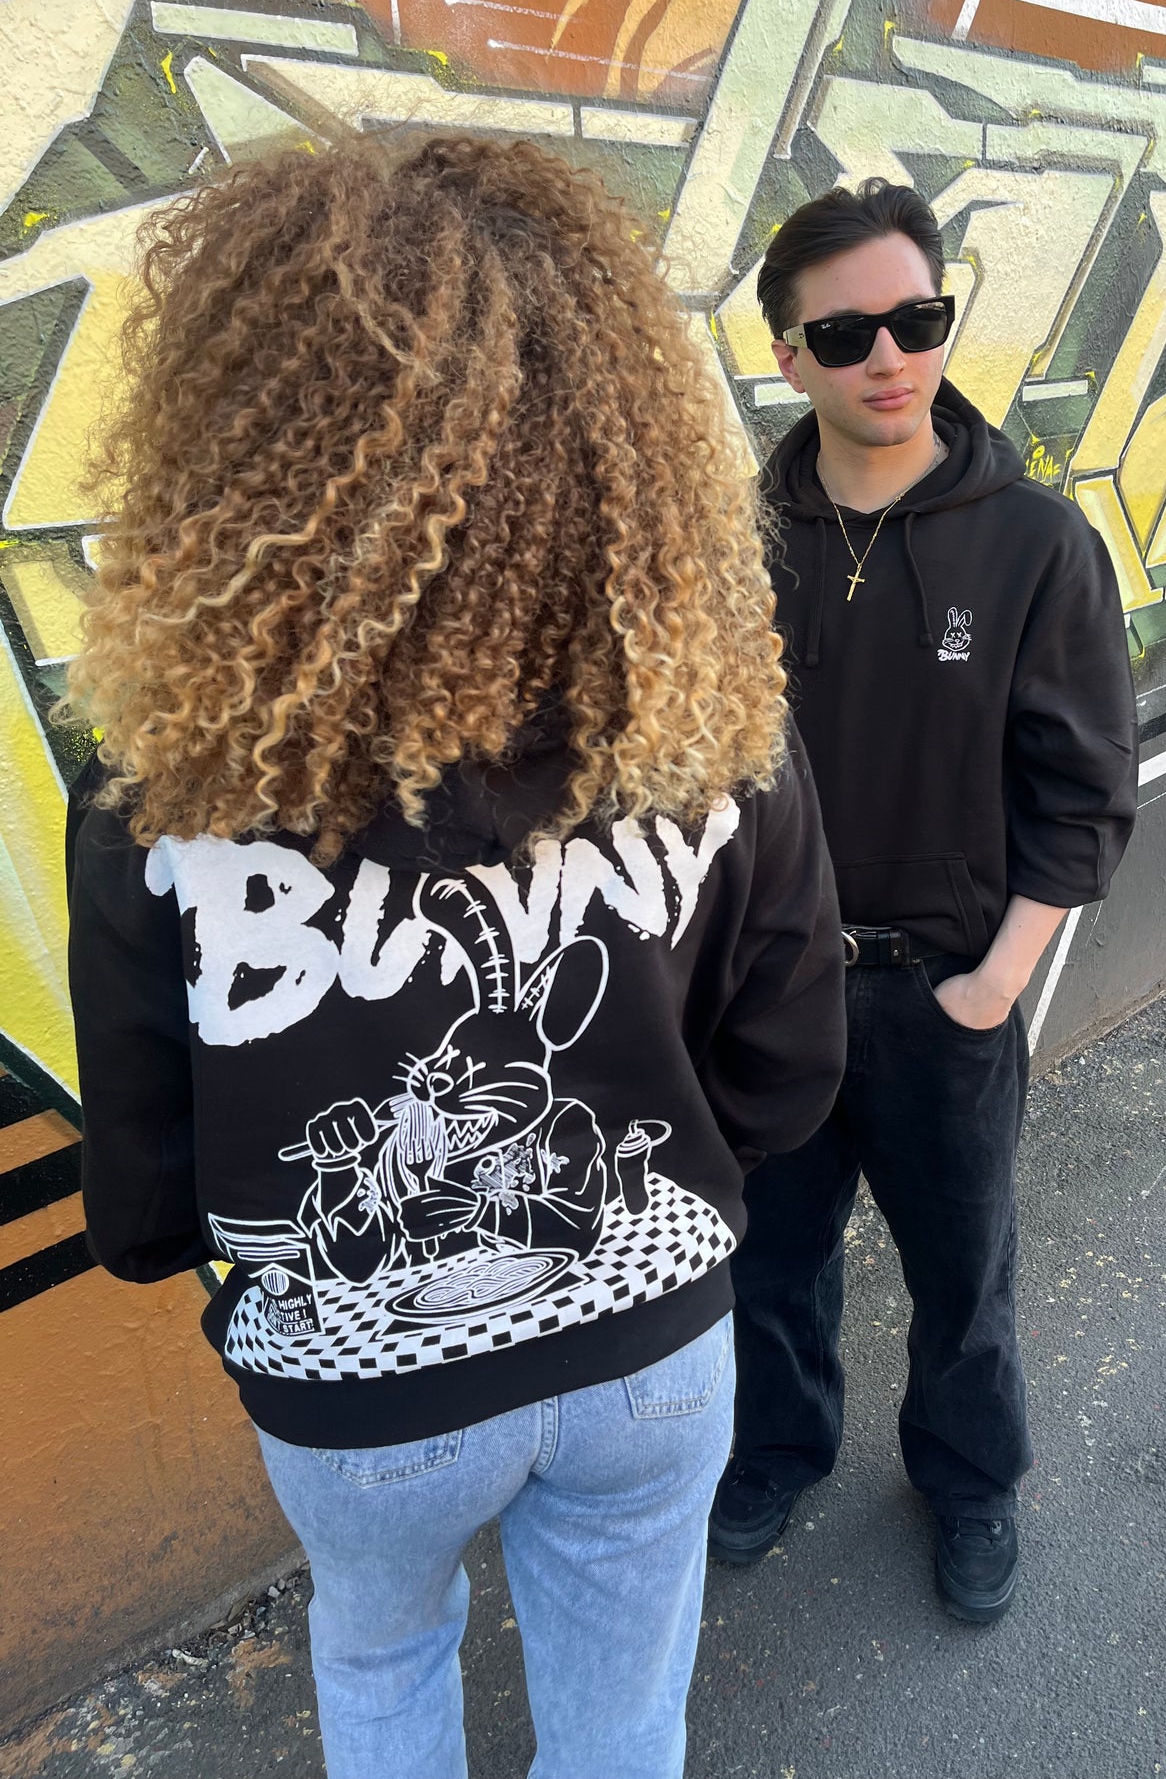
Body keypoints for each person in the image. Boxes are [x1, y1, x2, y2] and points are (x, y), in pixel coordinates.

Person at [64, 133, 846, 1779]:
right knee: (622, 1728)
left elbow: (141, 1169)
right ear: (621, 438)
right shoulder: (714, 729)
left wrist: (205, 1245)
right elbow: (784, 1065)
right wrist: (668, 1177)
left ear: (238, 449)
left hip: (354, 1398)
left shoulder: (162, 793)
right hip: (648, 1352)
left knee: (380, 1666)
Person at [708, 179, 1139, 1623]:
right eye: (846, 335)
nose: (888, 357)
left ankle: (968, 1481)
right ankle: (775, 1450)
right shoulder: (730, 547)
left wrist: (993, 986)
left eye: (917, 319)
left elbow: (1082, 794)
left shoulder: (1034, 544)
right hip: (765, 995)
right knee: (767, 1261)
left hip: (939, 994)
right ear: (790, 357)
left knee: (963, 1273)